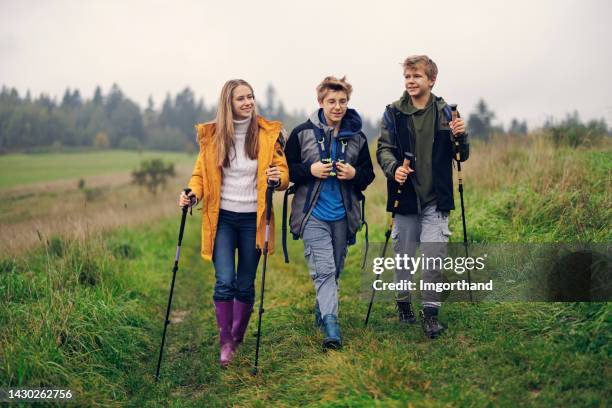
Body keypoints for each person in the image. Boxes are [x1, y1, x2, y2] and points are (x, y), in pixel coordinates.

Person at [179, 79, 289, 366]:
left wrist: (279, 179)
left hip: (255, 219)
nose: (248, 102)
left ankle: (238, 335)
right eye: (241, 98)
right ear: (228, 104)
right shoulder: (214, 136)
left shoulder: (267, 134)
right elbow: (200, 176)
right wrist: (191, 194)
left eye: (251, 97)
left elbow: (283, 172)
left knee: (244, 283)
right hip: (223, 219)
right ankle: (225, 340)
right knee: (224, 281)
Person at [376, 55, 469, 339]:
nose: (411, 81)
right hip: (404, 198)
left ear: (431, 80)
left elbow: (461, 155)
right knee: (403, 257)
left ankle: (430, 315)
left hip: (436, 199)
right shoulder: (393, 112)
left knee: (433, 256)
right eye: (407, 76)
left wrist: (461, 137)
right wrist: (394, 169)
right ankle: (403, 302)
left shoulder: (446, 112)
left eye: (416, 76)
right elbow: (384, 149)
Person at [285, 76, 375, 349]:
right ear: (320, 102)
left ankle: (322, 308)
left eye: (343, 101)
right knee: (324, 270)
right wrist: (309, 171)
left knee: (333, 270)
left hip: (344, 216)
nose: (337, 107)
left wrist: (354, 173)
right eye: (332, 101)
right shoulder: (302, 133)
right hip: (312, 214)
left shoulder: (357, 137)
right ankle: (332, 328)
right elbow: (286, 171)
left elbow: (368, 175)